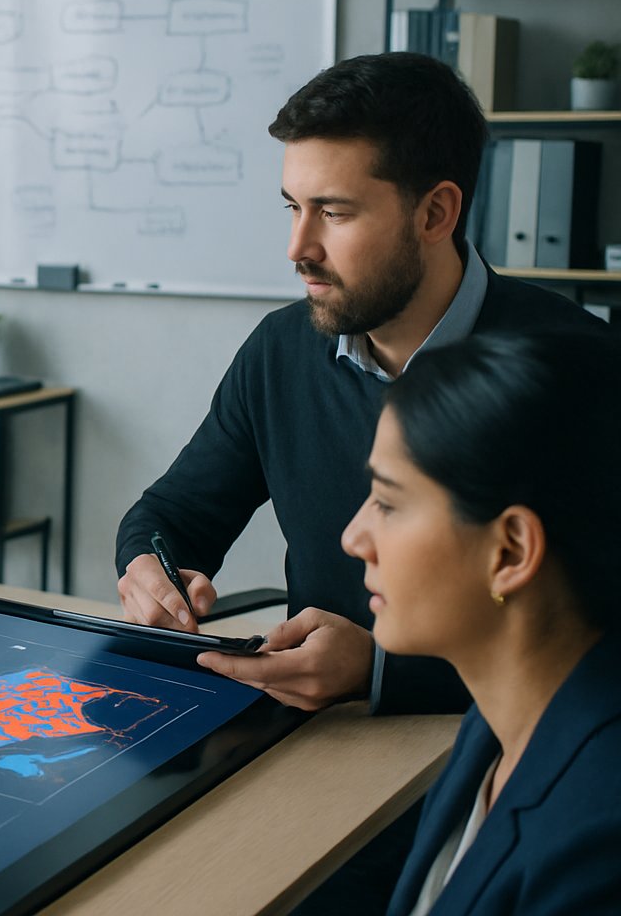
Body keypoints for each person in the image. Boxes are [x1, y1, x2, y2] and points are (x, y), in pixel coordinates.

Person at [114, 52, 604, 717]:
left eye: (334, 213)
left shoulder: (579, 368)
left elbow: (603, 638)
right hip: (323, 740)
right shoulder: (280, 351)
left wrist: (380, 671)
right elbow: (172, 517)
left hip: (501, 742)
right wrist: (151, 569)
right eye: (293, 207)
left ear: (435, 213)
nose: (298, 248)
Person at [340, 332, 621, 915]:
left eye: (388, 503)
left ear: (510, 551)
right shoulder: (494, 724)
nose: (353, 538)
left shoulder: (599, 836)